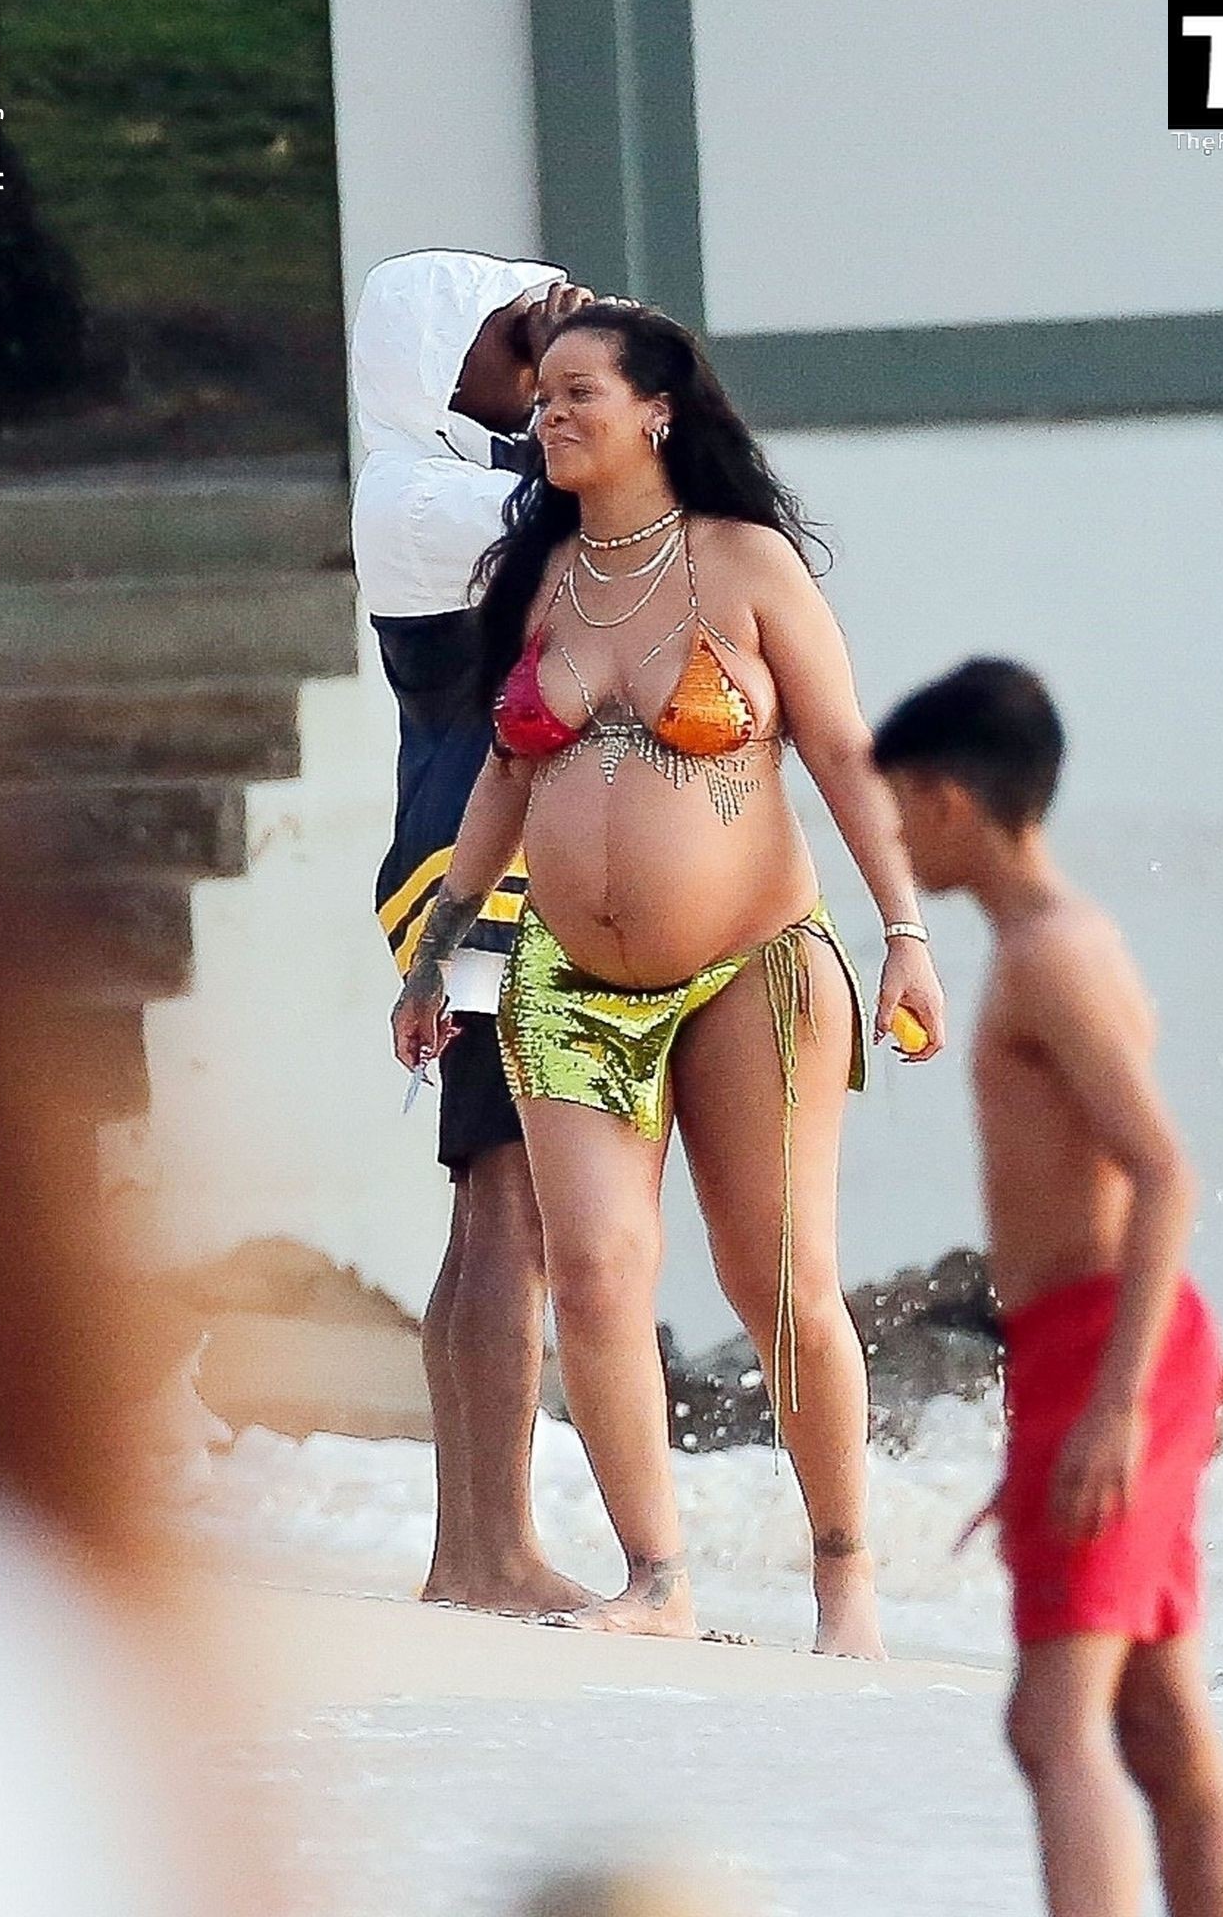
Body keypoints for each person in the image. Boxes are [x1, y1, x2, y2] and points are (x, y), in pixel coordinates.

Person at [392, 301, 946, 1655]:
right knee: (591, 1272)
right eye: (541, 397)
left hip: (754, 970)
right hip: (565, 979)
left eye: (578, 391)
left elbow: (842, 754)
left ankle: (844, 1585)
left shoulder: (745, 563)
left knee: (780, 1286)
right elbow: (503, 778)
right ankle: (656, 1581)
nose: (549, 415)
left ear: (657, 411)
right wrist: (440, 950)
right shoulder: (536, 578)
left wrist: (905, 934)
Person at [873, 660, 1223, 1916]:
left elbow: (1164, 1172)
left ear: (946, 801)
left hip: (1108, 1345)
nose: (890, 838)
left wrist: (1111, 1404)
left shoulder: (1049, 955)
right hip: (1083, 1343)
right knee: (1155, 1725)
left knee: (1051, 1727)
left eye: (895, 807)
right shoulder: (1061, 942)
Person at [350, 250, 594, 1612]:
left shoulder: (440, 479)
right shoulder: (421, 496)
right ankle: (491, 1553)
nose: (539, 367)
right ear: (443, 363)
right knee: (515, 1195)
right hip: (475, 872)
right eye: (517, 338)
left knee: (490, 1194)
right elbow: (613, 497)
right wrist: (597, 366)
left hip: (465, 862)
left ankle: (470, 1551)